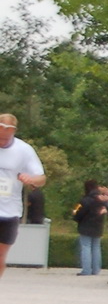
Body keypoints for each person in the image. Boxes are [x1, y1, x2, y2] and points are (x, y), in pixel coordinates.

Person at [0, 112, 48, 280]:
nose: (2, 141)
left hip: (10, 211)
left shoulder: (24, 150)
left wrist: (31, 179)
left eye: (6, 138)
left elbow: (41, 178)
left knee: (0, 255)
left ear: (13, 131)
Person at [72, 178, 107, 275]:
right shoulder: (101, 200)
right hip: (98, 226)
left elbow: (77, 212)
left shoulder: (84, 200)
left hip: (85, 226)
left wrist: (75, 217)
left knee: (86, 247)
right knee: (96, 247)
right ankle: (96, 270)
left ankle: (86, 270)